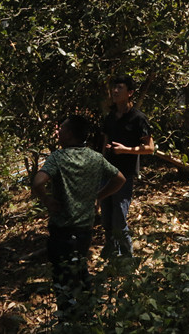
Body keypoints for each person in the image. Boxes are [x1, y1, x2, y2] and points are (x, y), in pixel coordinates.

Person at [32, 115, 126, 314]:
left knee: (63, 281)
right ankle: (89, 317)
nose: (59, 132)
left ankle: (68, 320)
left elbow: (38, 182)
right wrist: (98, 196)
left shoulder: (58, 158)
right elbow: (120, 179)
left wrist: (47, 200)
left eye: (62, 129)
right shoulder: (95, 157)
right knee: (80, 271)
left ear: (70, 134)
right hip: (85, 229)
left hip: (62, 231)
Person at [100, 74, 155, 257]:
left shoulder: (138, 118)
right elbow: (105, 142)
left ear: (130, 93)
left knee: (119, 217)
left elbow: (149, 148)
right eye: (114, 88)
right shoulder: (110, 117)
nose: (115, 91)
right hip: (106, 173)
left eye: (120, 88)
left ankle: (127, 259)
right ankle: (112, 257)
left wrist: (126, 150)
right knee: (106, 218)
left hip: (124, 175)